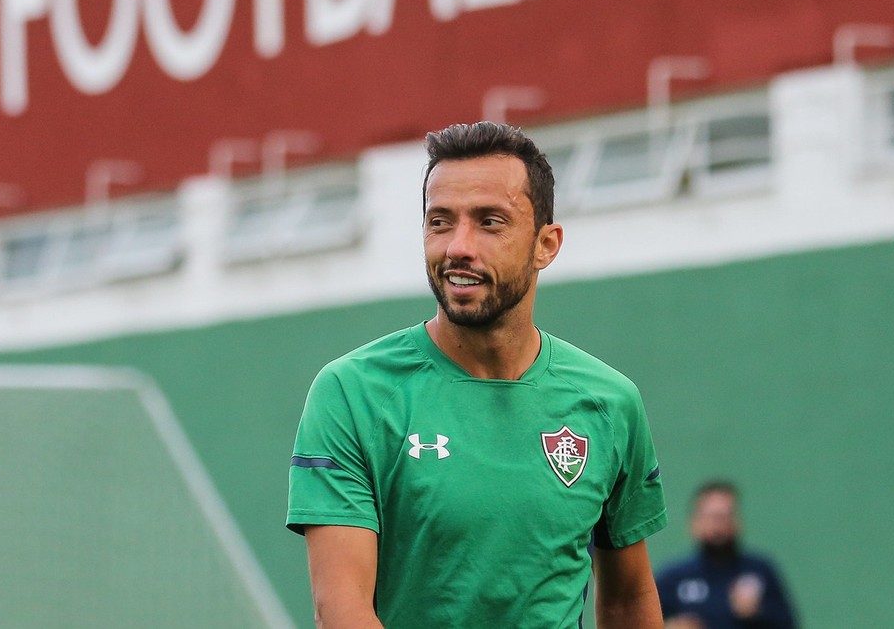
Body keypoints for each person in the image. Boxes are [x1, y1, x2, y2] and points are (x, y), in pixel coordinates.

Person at [286, 121, 668, 628]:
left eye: (489, 222)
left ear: (546, 244)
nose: (457, 246)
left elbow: (628, 601)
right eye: (440, 222)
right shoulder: (352, 393)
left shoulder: (610, 403)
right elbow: (341, 609)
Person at [655, 481, 798, 629]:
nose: (719, 525)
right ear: (695, 523)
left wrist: (757, 613)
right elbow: (644, 619)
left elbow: (789, 622)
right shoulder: (674, 578)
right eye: (712, 517)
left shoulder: (760, 571)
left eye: (725, 516)